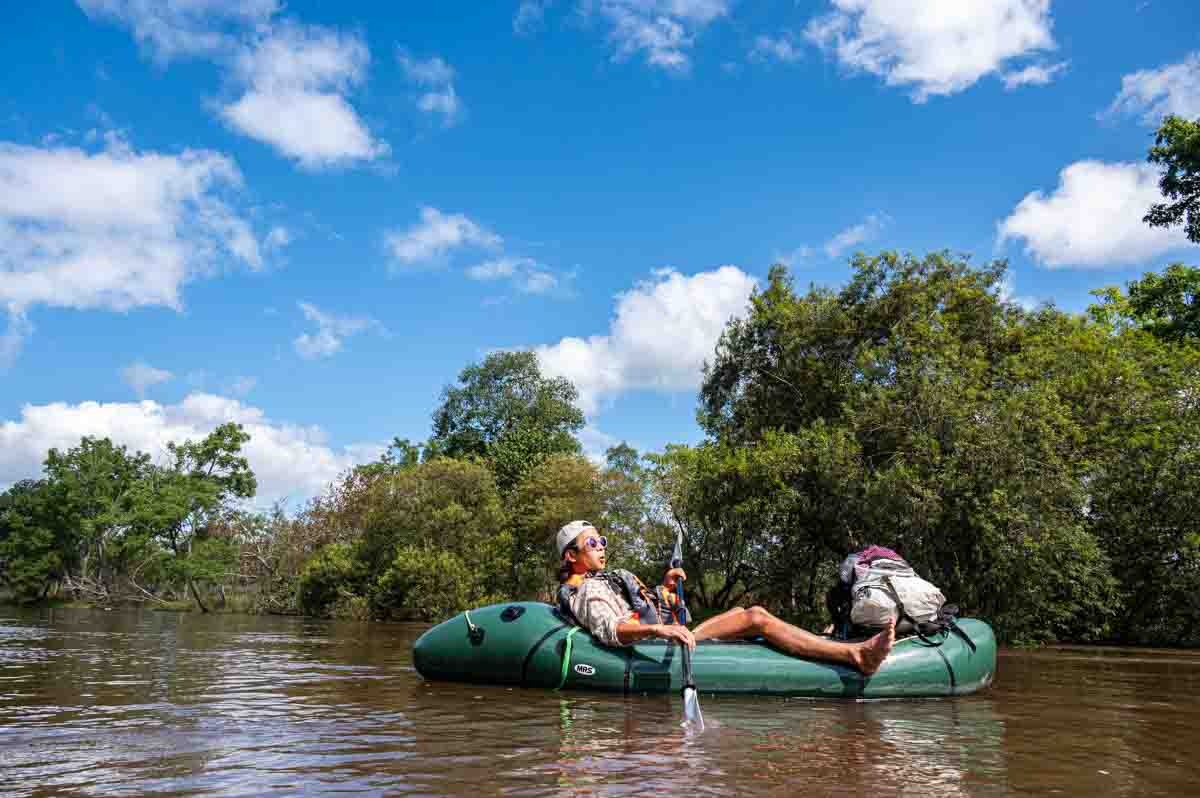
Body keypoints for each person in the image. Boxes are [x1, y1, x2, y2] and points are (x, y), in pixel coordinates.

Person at [556, 520, 895, 675]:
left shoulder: (603, 581)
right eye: (592, 544)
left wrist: (664, 588)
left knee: (736, 609)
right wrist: (662, 630)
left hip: (660, 639)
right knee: (755, 616)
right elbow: (613, 629)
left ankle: (816, 642)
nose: (601, 548)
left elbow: (639, 608)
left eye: (602, 541)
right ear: (571, 556)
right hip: (653, 648)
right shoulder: (585, 590)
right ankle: (855, 655)